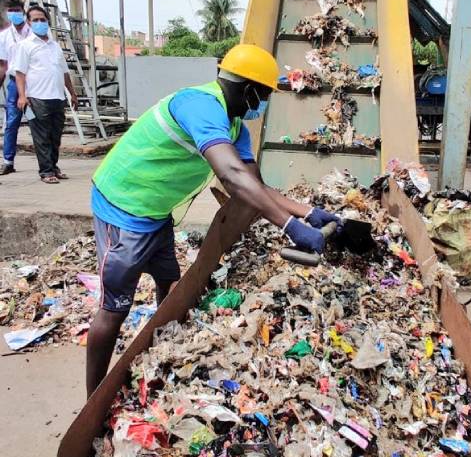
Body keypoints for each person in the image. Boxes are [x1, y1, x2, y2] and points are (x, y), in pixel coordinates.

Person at [86, 43, 339, 397]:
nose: (263, 103)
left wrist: (308, 213)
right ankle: (92, 399)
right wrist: (290, 228)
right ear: (249, 89)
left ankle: (165, 356)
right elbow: (233, 175)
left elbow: (255, 186)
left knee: (171, 284)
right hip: (124, 208)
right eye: (264, 95)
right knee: (115, 308)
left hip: (157, 212)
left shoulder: (236, 128)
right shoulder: (200, 105)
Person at [13, 5, 78, 183]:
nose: (40, 23)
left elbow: (64, 73)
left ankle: (54, 167)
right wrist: (22, 96)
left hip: (57, 97)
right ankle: (46, 172)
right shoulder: (25, 46)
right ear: (29, 22)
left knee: (55, 136)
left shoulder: (55, 46)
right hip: (37, 98)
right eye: (35, 20)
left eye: (43, 20)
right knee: (41, 137)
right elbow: (20, 73)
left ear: (48, 22)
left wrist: (72, 93)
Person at [0, 0, 30, 175]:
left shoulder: (33, 32)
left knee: (41, 123)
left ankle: (49, 164)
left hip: (34, 83)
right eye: (11, 10)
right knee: (11, 123)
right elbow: (3, 65)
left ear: (23, 11)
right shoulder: (4, 37)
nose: (14, 13)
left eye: (17, 10)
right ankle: (8, 161)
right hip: (14, 84)